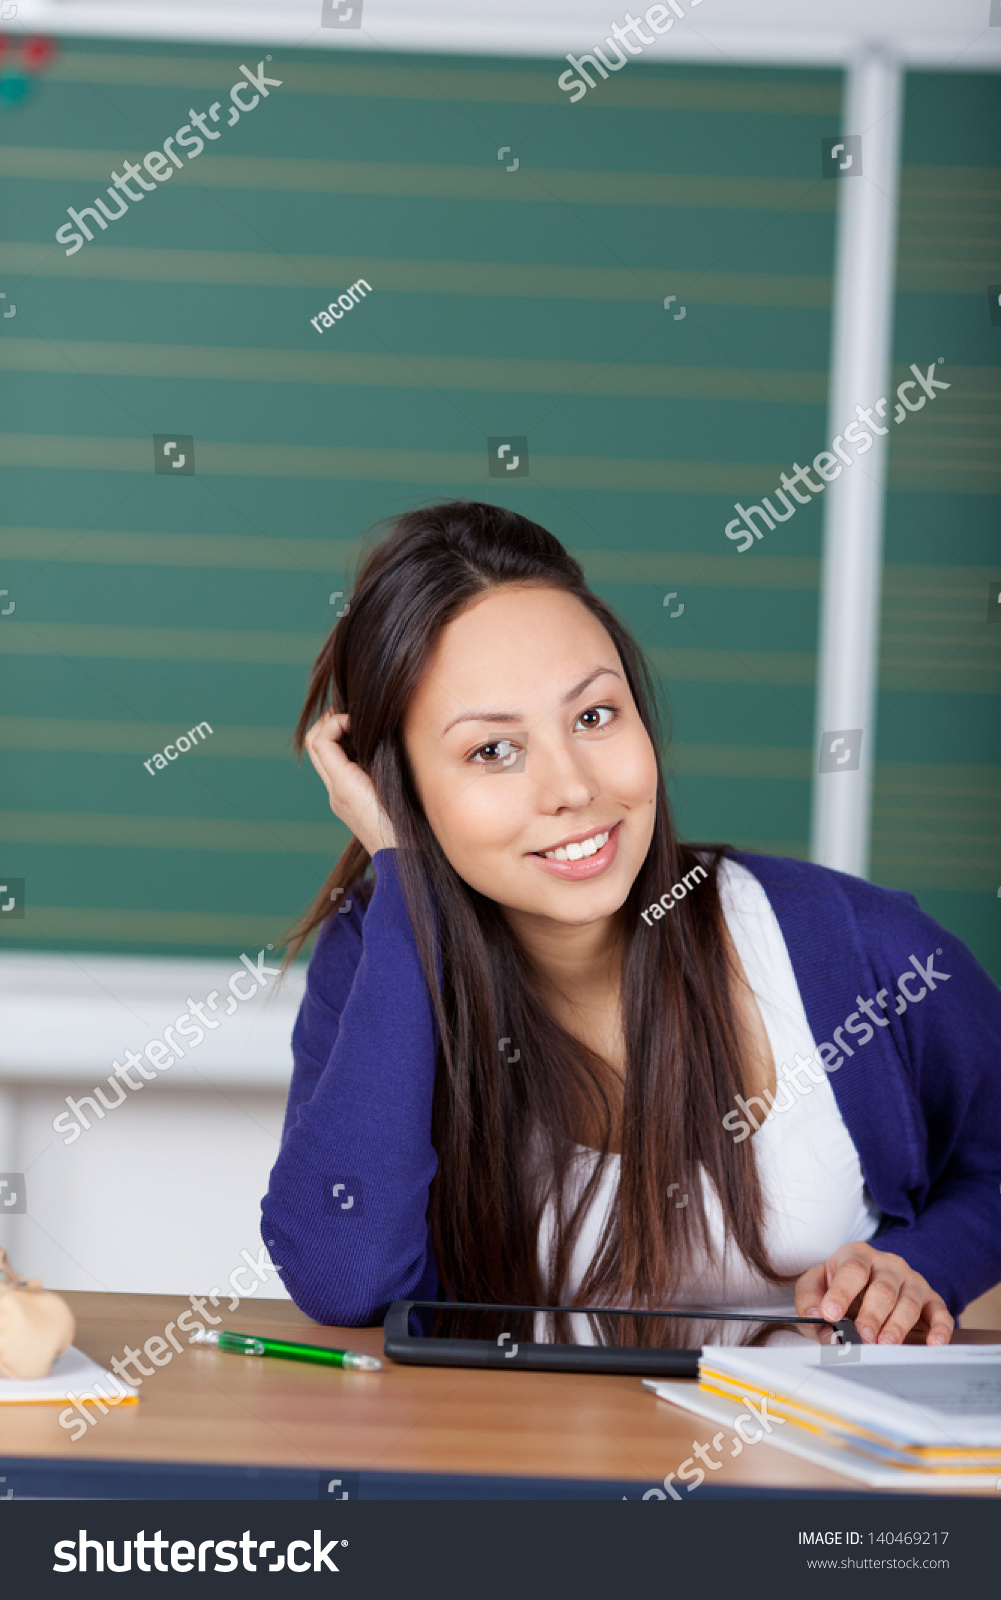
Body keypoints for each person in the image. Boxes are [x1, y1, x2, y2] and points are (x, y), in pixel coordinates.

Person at [261, 501, 1001, 1343]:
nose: (572, 787)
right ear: (400, 792)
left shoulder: (854, 945)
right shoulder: (377, 952)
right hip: (520, 1470)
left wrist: (922, 1264)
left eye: (593, 716)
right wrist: (401, 882)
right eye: (490, 751)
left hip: (800, 1465)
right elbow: (343, 1278)